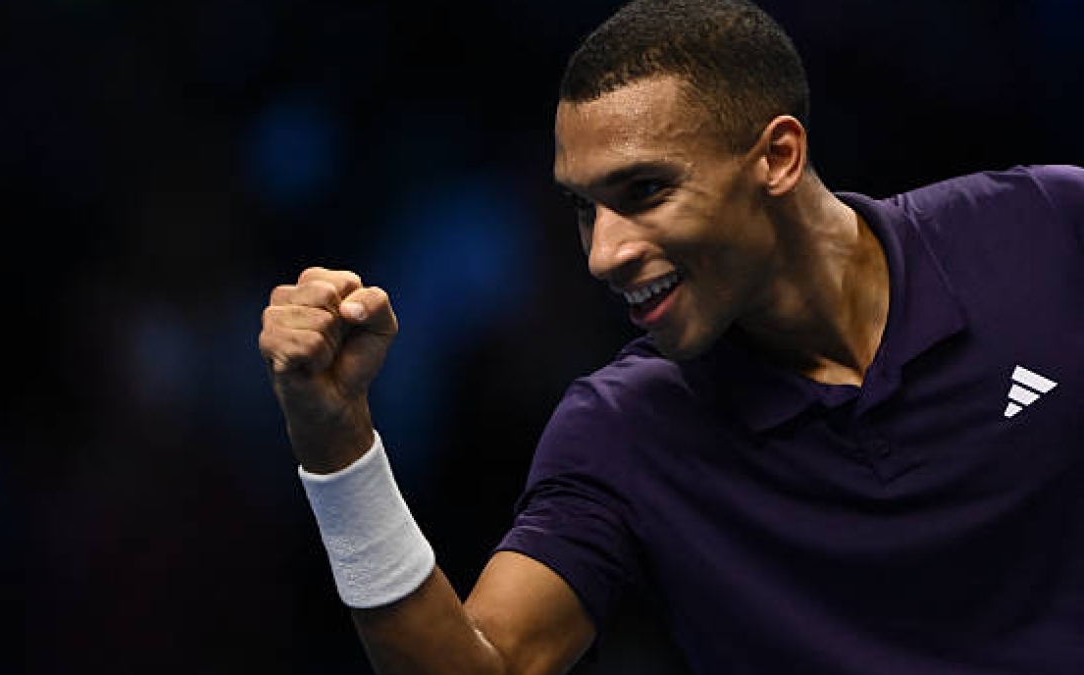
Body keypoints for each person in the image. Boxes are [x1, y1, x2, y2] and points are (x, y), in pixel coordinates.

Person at [258, 0, 1084, 672]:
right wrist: (337, 445)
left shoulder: (1046, 226)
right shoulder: (622, 430)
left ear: (778, 156)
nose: (603, 253)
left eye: (645, 190)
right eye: (584, 206)